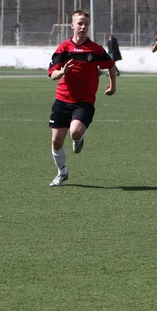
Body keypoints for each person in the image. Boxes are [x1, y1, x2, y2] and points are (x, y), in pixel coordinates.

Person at [47, 10, 117, 187]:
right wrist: (63, 71)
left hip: (84, 101)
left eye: (86, 24)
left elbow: (110, 65)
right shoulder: (64, 48)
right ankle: (62, 172)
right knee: (56, 140)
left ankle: (78, 138)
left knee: (75, 131)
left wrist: (112, 85)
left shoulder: (95, 49)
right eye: (80, 23)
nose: (83, 27)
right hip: (62, 99)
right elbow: (52, 74)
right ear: (72, 25)